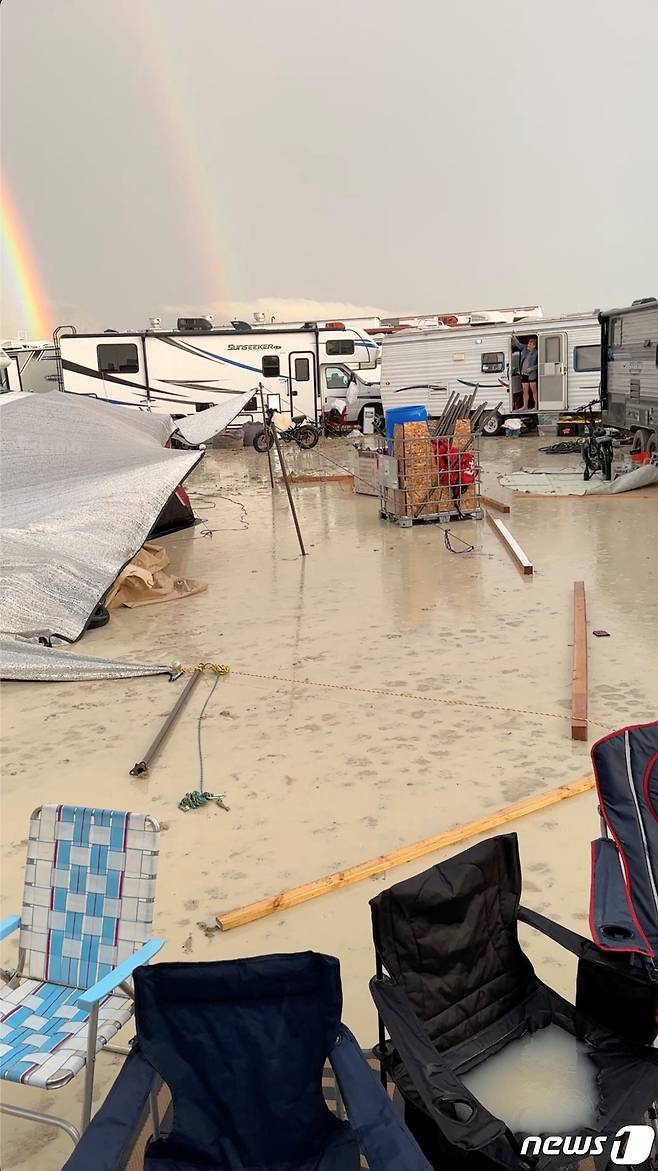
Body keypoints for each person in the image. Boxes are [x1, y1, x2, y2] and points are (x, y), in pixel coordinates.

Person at [511, 333, 538, 411]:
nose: (528, 346)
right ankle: (525, 406)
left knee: (534, 391)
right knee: (525, 390)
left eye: (530, 345)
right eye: (528, 344)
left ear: (534, 346)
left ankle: (536, 406)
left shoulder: (536, 353)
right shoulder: (524, 348)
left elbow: (539, 364)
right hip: (523, 373)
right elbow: (518, 344)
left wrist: (532, 368)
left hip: (532, 374)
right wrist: (514, 337)